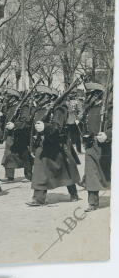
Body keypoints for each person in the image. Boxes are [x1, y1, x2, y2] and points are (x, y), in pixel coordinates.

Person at [26, 86, 81, 207]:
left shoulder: (59, 109)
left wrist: (45, 127)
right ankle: (38, 198)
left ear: (47, 96)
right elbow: (32, 129)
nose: (37, 98)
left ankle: (73, 193)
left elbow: (57, 126)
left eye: (39, 95)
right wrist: (32, 145)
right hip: (43, 145)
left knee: (65, 170)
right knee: (40, 169)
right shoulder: (39, 109)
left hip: (57, 145)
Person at [80, 82, 111, 212]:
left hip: (106, 147)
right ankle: (92, 203)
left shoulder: (108, 109)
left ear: (97, 95)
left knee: (108, 174)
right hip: (91, 145)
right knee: (91, 174)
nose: (87, 98)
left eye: (90, 95)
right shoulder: (88, 109)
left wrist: (107, 134)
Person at [0, 88, 33, 182]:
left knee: (25, 155)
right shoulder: (9, 107)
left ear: (13, 98)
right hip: (10, 134)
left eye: (8, 97)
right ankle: (9, 176)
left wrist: (15, 125)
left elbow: (25, 120)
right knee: (8, 154)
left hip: (20, 134)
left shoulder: (23, 107)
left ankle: (29, 175)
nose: (6, 99)